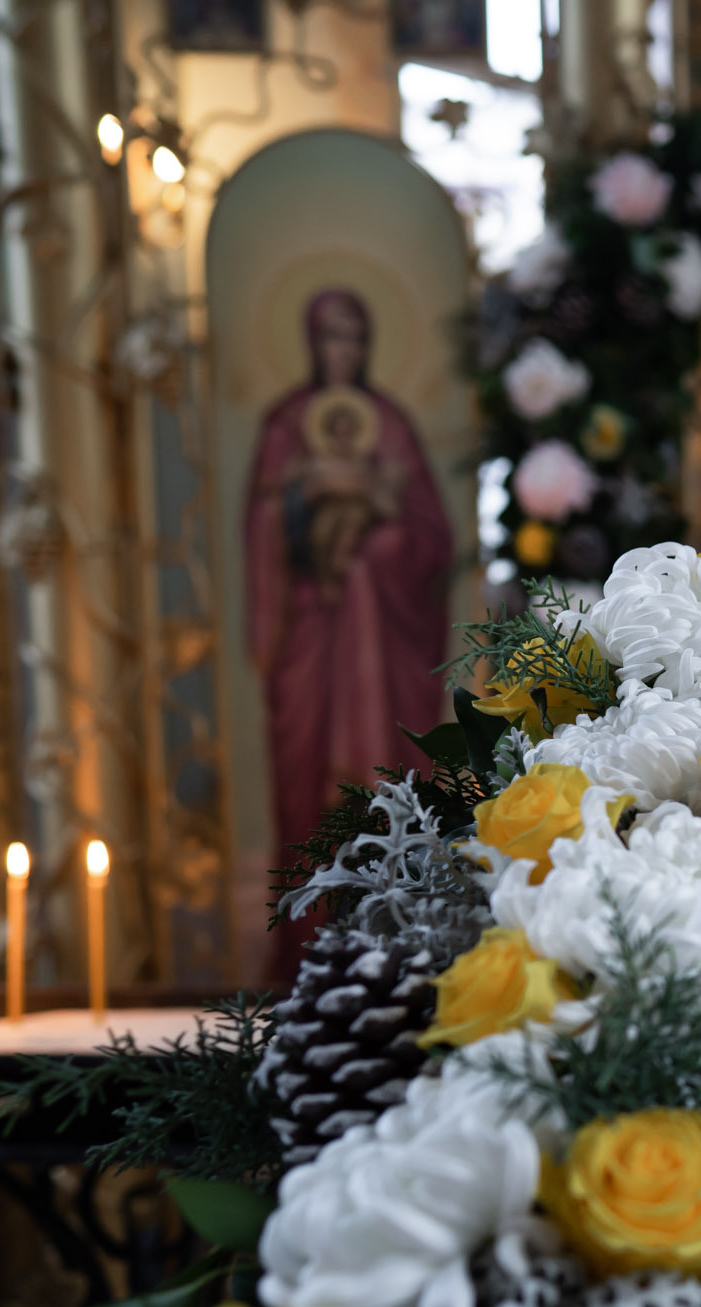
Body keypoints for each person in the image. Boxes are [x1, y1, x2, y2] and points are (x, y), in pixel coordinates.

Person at [244, 290, 451, 975]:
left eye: (356, 336)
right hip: (311, 637)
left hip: (383, 649)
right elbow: (263, 529)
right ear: (311, 341)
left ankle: (398, 953)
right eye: (333, 336)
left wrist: (378, 541)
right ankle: (305, 952)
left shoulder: (390, 426)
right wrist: (301, 495)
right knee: (309, 799)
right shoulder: (282, 429)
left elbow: (431, 540)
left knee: (385, 799)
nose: (346, 350)